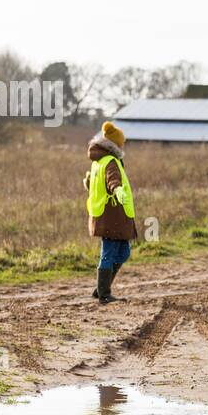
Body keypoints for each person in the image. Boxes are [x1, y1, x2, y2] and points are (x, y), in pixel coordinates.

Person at [84, 121, 138, 304]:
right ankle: (104, 294)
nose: (123, 146)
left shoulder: (99, 161)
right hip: (112, 214)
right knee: (108, 253)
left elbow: (94, 182)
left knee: (123, 253)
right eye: (121, 143)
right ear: (115, 144)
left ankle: (100, 289)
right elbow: (112, 179)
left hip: (112, 214)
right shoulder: (110, 161)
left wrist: (89, 183)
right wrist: (117, 190)